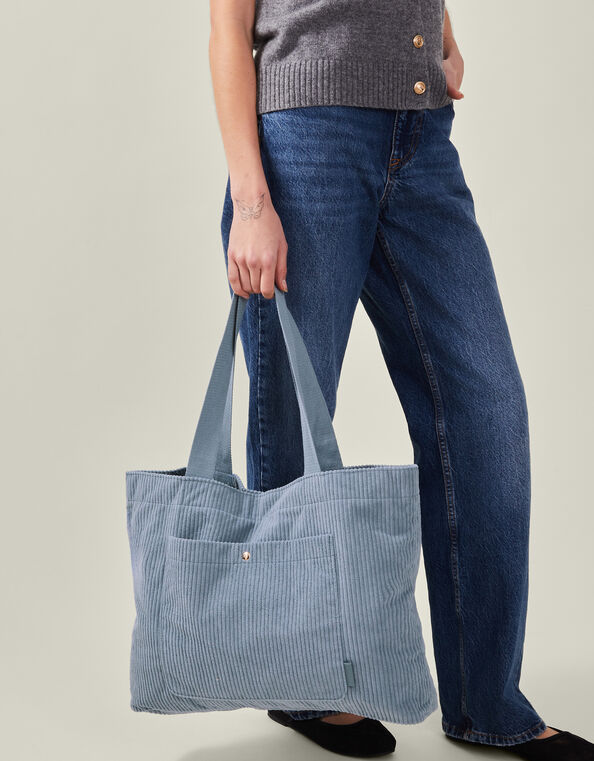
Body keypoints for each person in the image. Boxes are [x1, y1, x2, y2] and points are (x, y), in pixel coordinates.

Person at [208, 1, 594, 758]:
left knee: (486, 404)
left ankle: (487, 700)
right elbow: (227, 27)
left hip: (422, 142)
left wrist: (442, 36)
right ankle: (301, 685)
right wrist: (251, 202)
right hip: (305, 145)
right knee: (294, 422)